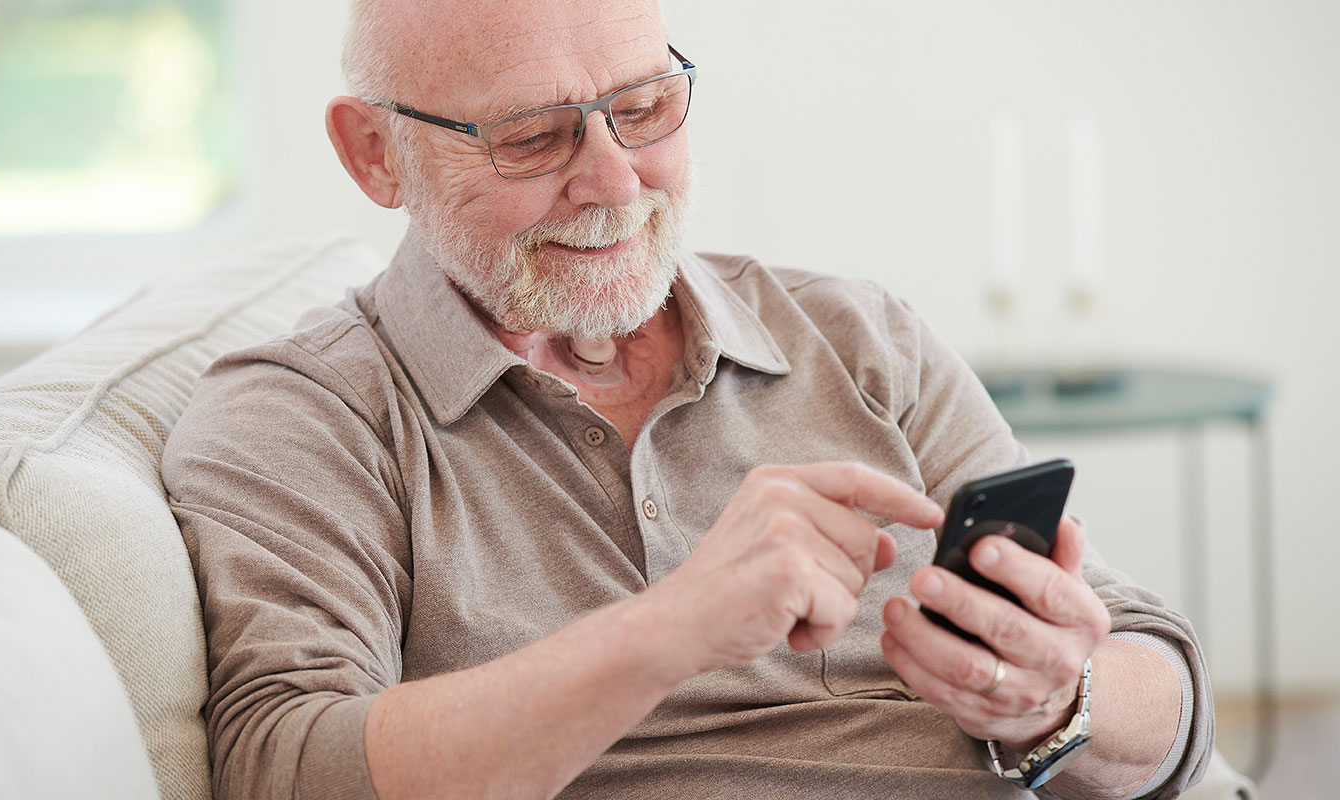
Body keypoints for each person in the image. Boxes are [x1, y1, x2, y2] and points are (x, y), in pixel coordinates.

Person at [161, 0, 1212, 797]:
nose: (616, 181)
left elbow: (1161, 689)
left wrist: (1055, 694)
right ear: (374, 153)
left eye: (643, 107)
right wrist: (671, 625)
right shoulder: (304, 413)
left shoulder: (858, 334)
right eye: (532, 135)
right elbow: (285, 761)